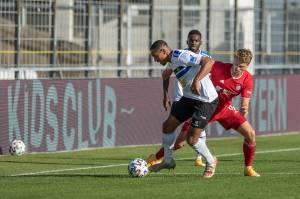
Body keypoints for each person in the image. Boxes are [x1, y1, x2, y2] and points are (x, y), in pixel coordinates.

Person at [150, 48, 260, 177]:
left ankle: (248, 168)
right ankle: (156, 158)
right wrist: (173, 71)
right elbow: (202, 64)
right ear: (233, 60)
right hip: (205, 104)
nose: (238, 69)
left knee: (250, 134)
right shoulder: (219, 67)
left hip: (224, 108)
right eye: (236, 65)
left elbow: (245, 102)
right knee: (181, 141)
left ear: (247, 66)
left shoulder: (248, 79)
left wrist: (244, 109)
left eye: (242, 67)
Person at [149, 40, 219, 178]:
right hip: (188, 98)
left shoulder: (181, 55)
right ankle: (168, 161)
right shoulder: (171, 61)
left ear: (164, 51)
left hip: (205, 101)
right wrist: (165, 95)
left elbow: (209, 62)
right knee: (168, 126)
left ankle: (211, 162)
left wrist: (197, 80)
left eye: (156, 56)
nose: (155, 60)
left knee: (191, 139)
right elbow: (166, 75)